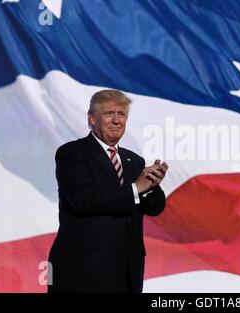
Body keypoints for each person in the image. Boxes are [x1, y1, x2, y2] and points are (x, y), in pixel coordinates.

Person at [47, 89, 168, 293]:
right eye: (109, 113)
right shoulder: (72, 154)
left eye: (121, 114)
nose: (116, 120)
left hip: (128, 272)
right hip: (82, 272)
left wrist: (151, 186)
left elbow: (155, 208)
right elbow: (84, 200)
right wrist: (136, 188)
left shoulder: (134, 160)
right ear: (92, 119)